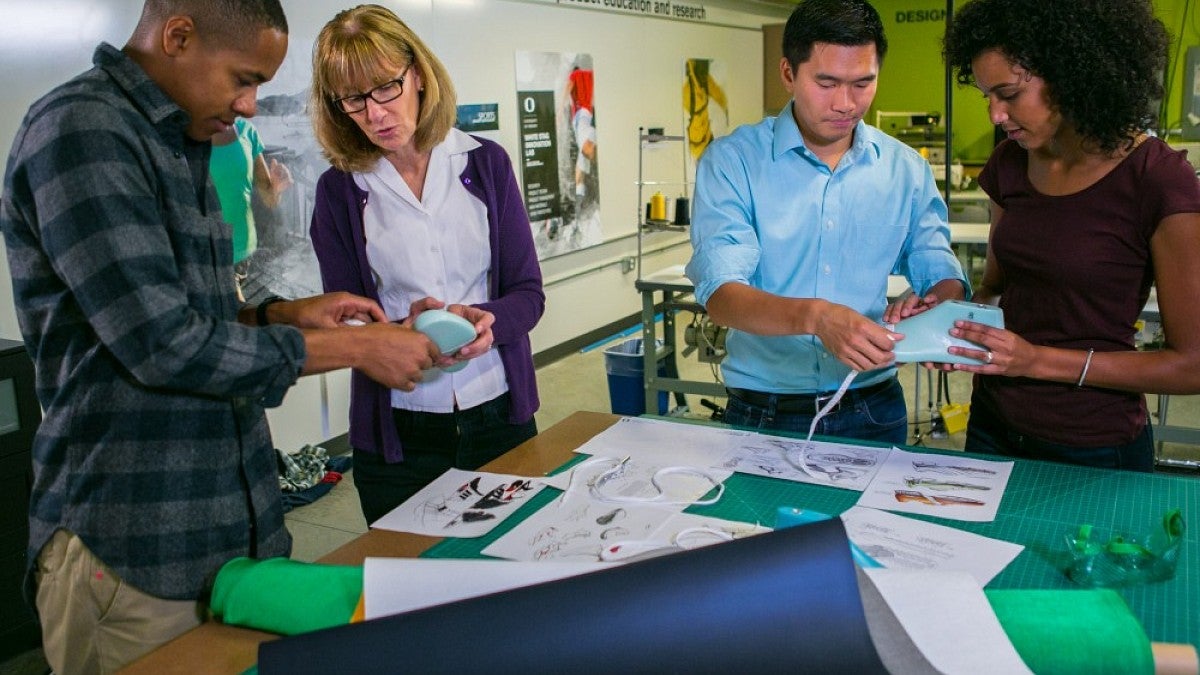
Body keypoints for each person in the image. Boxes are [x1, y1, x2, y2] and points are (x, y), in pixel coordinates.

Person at [0, 1, 494, 672]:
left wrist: (280, 316)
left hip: (231, 534)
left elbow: (192, 313)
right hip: (137, 542)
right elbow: (163, 342)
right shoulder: (81, 132)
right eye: (243, 78)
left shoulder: (178, 139)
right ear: (178, 36)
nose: (252, 105)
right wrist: (358, 348)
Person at [685, 0, 968, 445]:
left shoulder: (905, 169)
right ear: (787, 73)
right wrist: (817, 317)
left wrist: (934, 303)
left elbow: (940, 269)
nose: (845, 103)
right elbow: (721, 296)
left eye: (863, 83)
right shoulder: (734, 161)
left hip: (874, 402)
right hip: (766, 408)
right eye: (826, 82)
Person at [309, 4, 545, 524]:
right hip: (399, 433)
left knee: (515, 585)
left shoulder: (485, 163)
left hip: (498, 416)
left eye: (386, 88)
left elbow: (528, 293)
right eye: (353, 99)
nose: (374, 113)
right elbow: (345, 319)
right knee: (412, 588)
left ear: (417, 74)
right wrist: (398, 330)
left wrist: (487, 322)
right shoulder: (340, 191)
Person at [941, 0, 1200, 471]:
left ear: (1072, 74)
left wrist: (1036, 360)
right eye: (986, 96)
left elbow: (1191, 364)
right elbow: (996, 290)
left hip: (1094, 445)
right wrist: (949, 329)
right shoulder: (1010, 164)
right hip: (993, 427)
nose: (996, 115)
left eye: (1009, 94)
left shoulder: (1157, 179)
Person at [209, 116, 292, 282]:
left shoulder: (247, 130)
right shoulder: (179, 133)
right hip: (201, 252)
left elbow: (269, 199)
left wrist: (277, 187)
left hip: (242, 250)